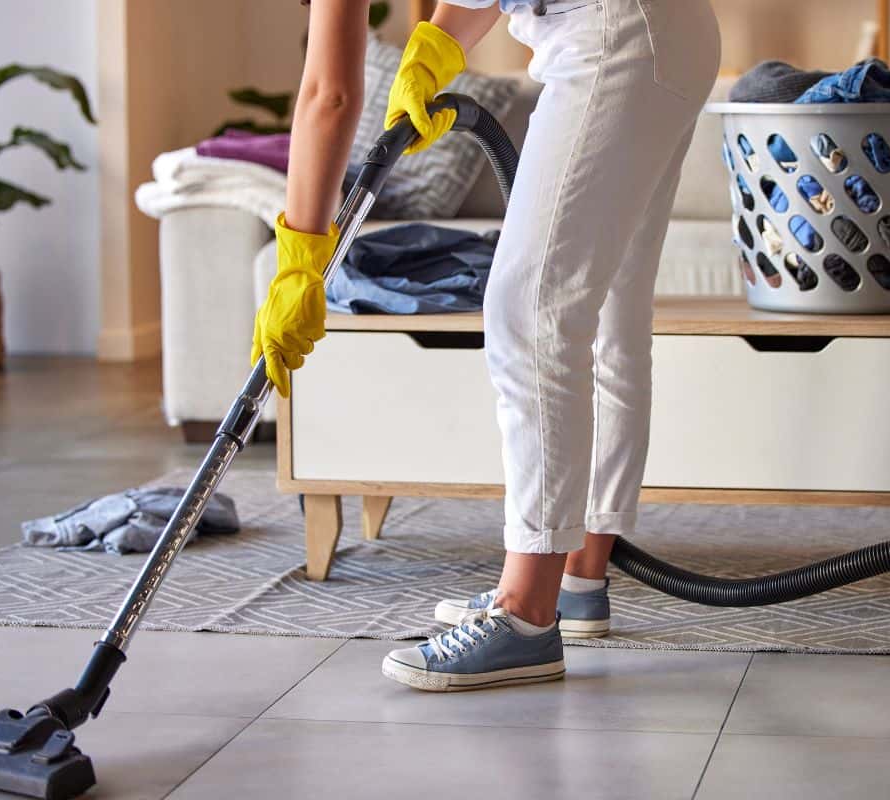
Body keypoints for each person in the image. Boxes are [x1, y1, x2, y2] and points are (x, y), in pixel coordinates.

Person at [254, 0, 720, 692]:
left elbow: (331, 91)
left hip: (615, 31)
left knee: (530, 310)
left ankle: (525, 615)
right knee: (606, 313)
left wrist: (298, 257)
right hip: (668, 31)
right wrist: (436, 45)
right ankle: (574, 582)